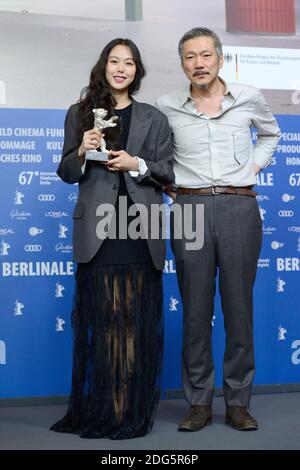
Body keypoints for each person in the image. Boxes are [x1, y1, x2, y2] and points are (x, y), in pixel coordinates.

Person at [156, 27, 280, 431]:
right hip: (189, 206)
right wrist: (173, 189)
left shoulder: (248, 97)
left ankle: (239, 402)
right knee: (194, 311)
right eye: (190, 57)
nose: (199, 63)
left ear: (220, 59)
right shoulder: (166, 106)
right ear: (182, 64)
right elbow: (156, 157)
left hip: (238, 203)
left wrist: (254, 168)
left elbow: (271, 133)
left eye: (206, 55)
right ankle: (198, 404)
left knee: (238, 309)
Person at [50, 38, 174, 439]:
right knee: (105, 320)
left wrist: (135, 164)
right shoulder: (80, 114)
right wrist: (84, 151)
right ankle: (105, 405)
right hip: (98, 230)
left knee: (134, 321)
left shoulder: (153, 118)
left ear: (137, 72)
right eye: (115, 61)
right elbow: (67, 171)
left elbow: (167, 172)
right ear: (104, 66)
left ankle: (128, 410)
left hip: (139, 228)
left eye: (130, 63)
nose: (121, 68)